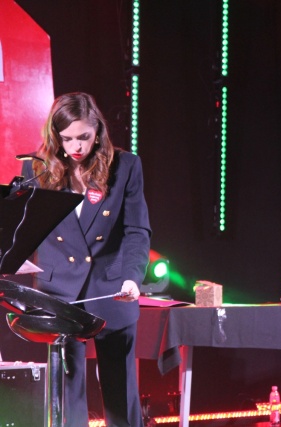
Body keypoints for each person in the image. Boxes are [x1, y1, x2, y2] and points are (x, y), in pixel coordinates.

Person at [21, 92, 151, 427]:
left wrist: (132, 277)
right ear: (55, 136)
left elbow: (137, 231)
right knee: (67, 397)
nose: (76, 147)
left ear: (98, 132)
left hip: (111, 286)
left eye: (84, 137)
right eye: (66, 139)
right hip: (58, 291)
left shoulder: (125, 166)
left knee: (121, 395)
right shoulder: (36, 168)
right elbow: (23, 229)